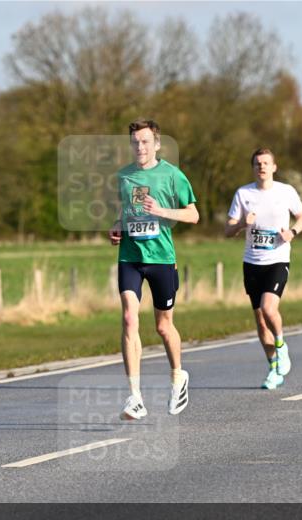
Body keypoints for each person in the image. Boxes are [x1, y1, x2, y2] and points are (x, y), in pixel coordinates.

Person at [109, 119, 199, 420]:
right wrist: (117, 226)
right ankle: (134, 396)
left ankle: (178, 377)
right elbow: (126, 211)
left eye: (145, 141)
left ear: (157, 144)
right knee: (128, 318)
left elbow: (193, 215)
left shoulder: (172, 175)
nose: (140, 147)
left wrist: (161, 211)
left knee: (163, 327)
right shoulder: (124, 176)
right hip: (131, 256)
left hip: (161, 258)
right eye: (135, 141)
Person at [224, 148, 302, 390]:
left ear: (274, 167)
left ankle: (281, 347)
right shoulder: (243, 194)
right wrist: (242, 223)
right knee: (260, 322)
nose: (261, 167)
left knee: (268, 308)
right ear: (253, 168)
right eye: (257, 163)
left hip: (277, 260)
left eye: (266, 163)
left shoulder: (286, 191)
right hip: (252, 263)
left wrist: (292, 232)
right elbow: (228, 230)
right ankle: (273, 369)